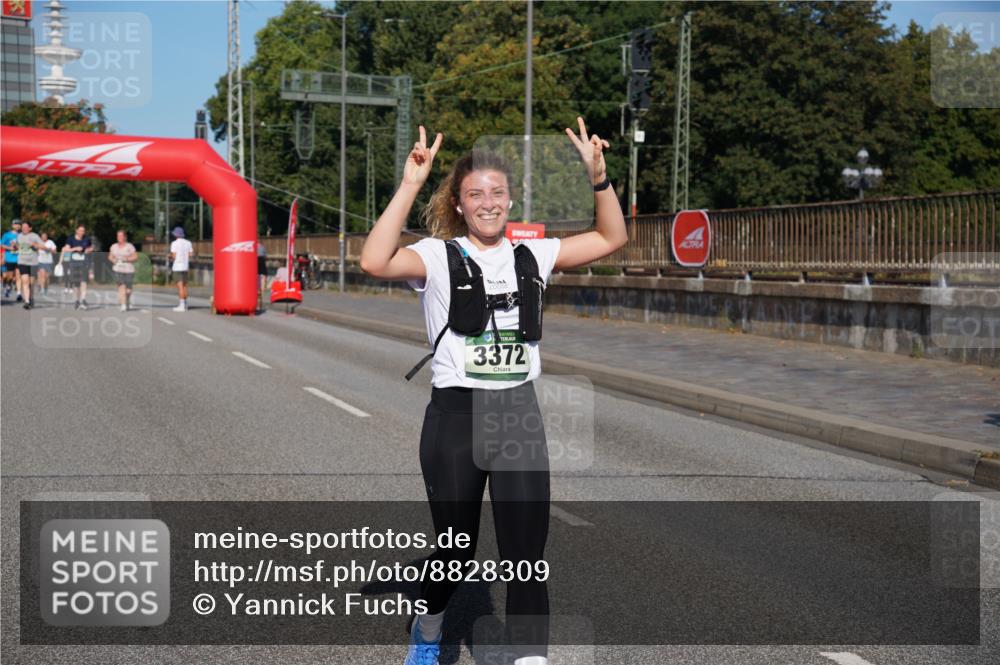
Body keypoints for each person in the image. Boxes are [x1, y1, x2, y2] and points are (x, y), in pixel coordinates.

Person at [360, 119, 626, 665]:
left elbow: (610, 238)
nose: (488, 203)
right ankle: (429, 624)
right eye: (475, 194)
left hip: (518, 415)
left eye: (497, 194)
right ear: (459, 203)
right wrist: (410, 183)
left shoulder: (535, 255)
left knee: (526, 556)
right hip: (455, 418)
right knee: (455, 556)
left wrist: (600, 181)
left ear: (510, 200)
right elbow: (374, 260)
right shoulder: (436, 257)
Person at [15, 220, 48, 309]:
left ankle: (31, 298)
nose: (24, 229)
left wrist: (35, 245)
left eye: (26, 227)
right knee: (25, 281)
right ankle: (27, 301)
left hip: (33, 263)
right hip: (22, 261)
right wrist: (15, 246)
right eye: (23, 228)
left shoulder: (34, 236)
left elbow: (44, 247)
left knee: (31, 283)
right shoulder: (19, 236)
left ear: (30, 228)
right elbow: (17, 246)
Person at [64, 223, 94, 309]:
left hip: (84, 263)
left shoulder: (86, 239)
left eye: (83, 231)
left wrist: (89, 250)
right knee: (76, 283)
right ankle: (77, 300)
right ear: (76, 230)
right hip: (74, 263)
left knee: (83, 281)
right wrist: (75, 249)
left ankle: (83, 299)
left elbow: (91, 247)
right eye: (80, 230)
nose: (82, 232)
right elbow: (66, 249)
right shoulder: (71, 239)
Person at [108, 230, 138, 311]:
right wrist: (113, 260)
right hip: (117, 269)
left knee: (128, 289)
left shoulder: (130, 246)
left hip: (129, 269)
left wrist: (127, 259)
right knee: (121, 286)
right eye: (118, 236)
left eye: (121, 236)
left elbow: (135, 256)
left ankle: (126, 300)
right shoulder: (113, 246)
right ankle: (123, 305)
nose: (119, 238)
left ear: (125, 237)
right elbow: (110, 256)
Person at [169, 226, 193, 312]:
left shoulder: (174, 243)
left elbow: (174, 256)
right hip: (185, 266)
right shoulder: (188, 243)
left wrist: (170, 256)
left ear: (176, 235)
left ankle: (181, 305)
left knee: (180, 287)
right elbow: (190, 254)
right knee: (185, 286)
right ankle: (185, 304)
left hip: (177, 267)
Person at [2, 219, 21, 300]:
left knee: (18, 276)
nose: (17, 225)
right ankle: (8, 286)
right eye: (15, 224)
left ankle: (19, 293)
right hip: (10, 258)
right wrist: (10, 248)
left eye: (18, 224)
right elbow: (1, 244)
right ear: (12, 225)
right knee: (9, 276)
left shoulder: (21, 235)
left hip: (19, 258)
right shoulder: (7, 235)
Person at [36, 231, 57, 296]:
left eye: (45, 236)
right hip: (40, 261)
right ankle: (42, 288)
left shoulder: (50, 242)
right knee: (42, 275)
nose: (44, 237)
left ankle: (45, 287)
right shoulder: (38, 242)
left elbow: (55, 252)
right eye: (42, 236)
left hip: (48, 261)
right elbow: (35, 250)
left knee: (47, 277)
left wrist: (49, 249)